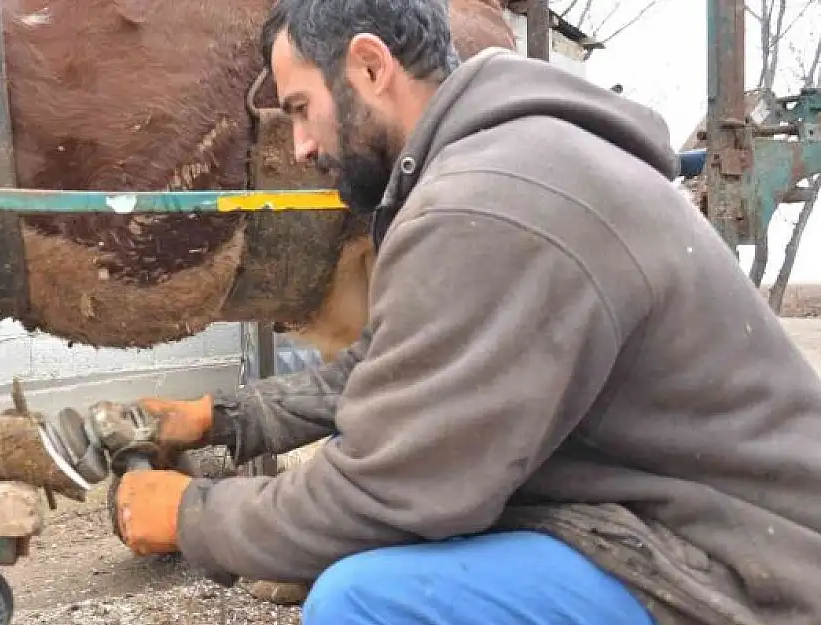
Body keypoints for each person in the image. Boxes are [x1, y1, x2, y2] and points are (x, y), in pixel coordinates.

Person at [80, 0, 821, 623]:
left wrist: (191, 515)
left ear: (370, 68)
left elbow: (392, 489)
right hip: (705, 524)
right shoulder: (507, 158)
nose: (300, 144)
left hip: (740, 574)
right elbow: (391, 366)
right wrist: (222, 416)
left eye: (302, 109)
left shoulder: (494, 195)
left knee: (362, 599)